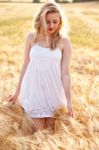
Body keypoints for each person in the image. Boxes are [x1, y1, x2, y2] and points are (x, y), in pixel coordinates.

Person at [6, 2, 74, 131]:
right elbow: (25, 66)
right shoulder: (31, 37)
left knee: (48, 133)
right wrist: (17, 93)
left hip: (53, 92)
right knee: (38, 131)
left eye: (55, 21)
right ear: (40, 20)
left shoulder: (64, 41)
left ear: (60, 21)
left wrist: (69, 101)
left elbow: (65, 74)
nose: (51, 25)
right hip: (33, 91)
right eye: (47, 21)